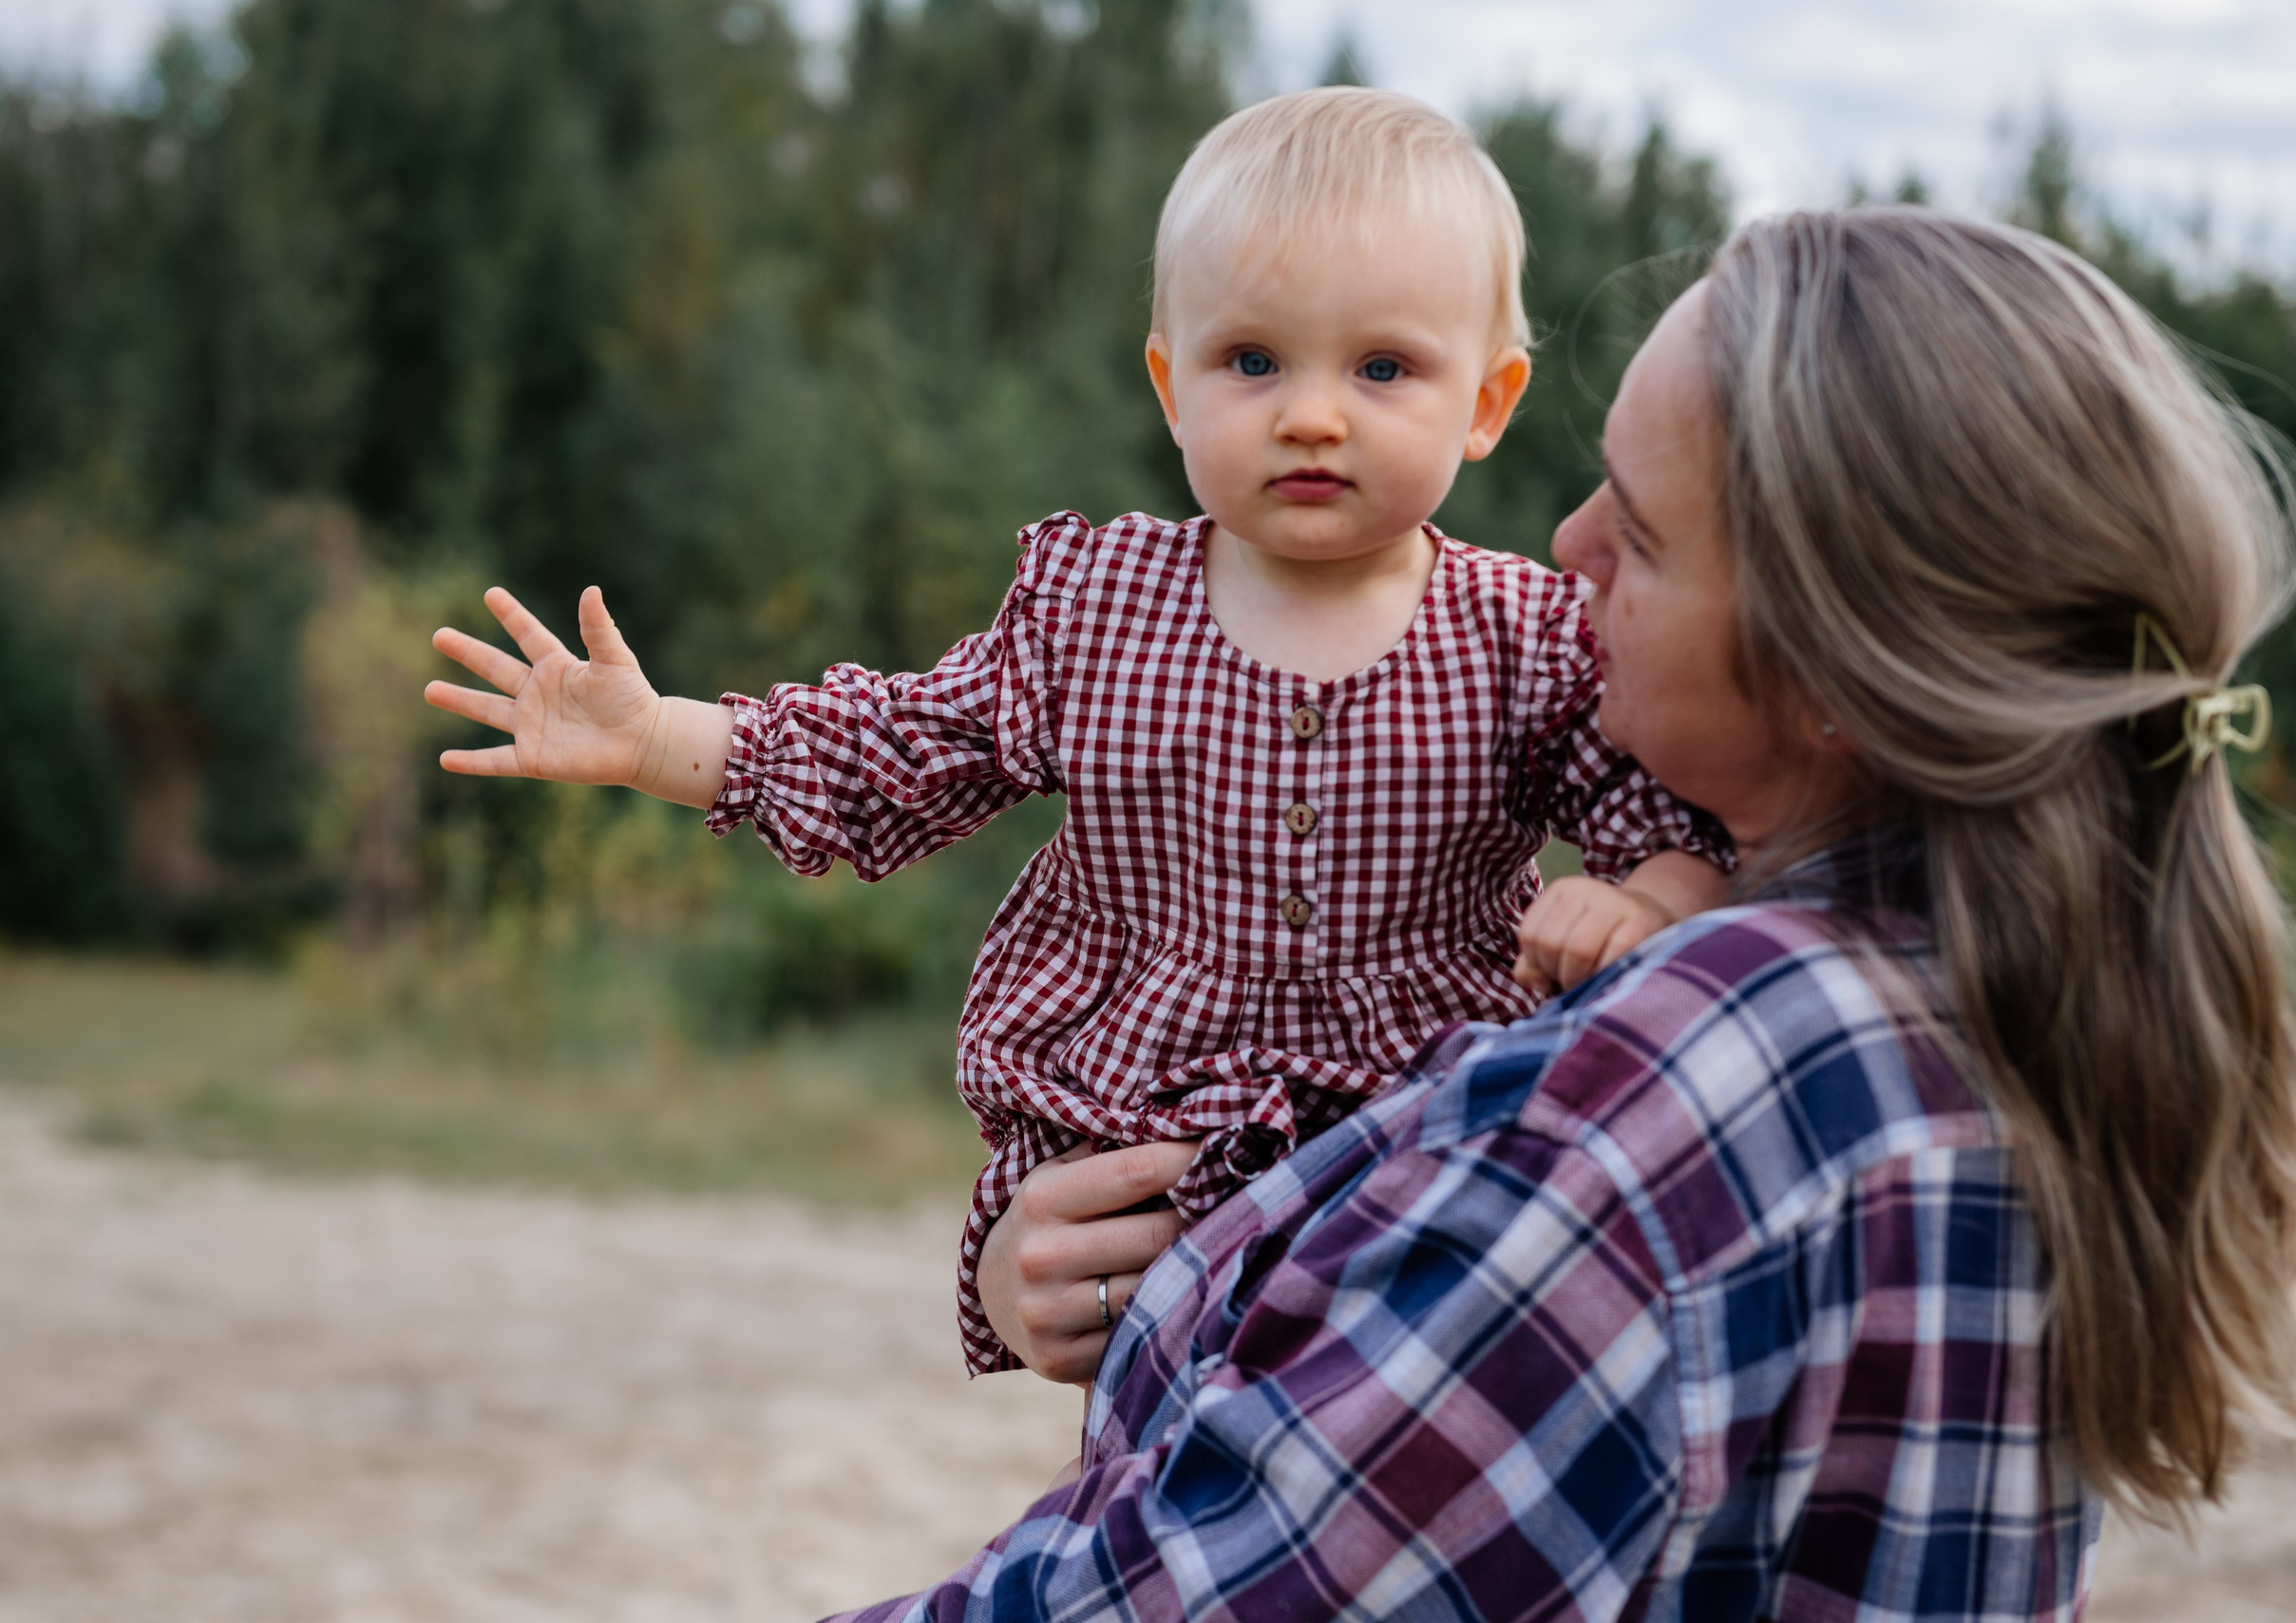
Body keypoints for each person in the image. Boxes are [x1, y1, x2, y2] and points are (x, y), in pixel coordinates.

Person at [874, 207, 2296, 1621]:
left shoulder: (1718, 1068)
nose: (1569, 548)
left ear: (1833, 669)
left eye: (1643, 535)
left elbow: (1202, 1590)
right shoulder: (2003, 1006)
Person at [421, 87, 1734, 1374]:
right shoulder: (1096, 613)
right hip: (1154, 1176)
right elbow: (894, 751)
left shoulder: (1526, 638)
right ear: (1172, 384)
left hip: (1429, 1166)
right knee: (1169, 1479)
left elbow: (1669, 819)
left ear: (1489, 403)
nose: (1312, 413)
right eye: (1253, 361)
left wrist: (1649, 895)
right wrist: (656, 739)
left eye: (1383, 367)